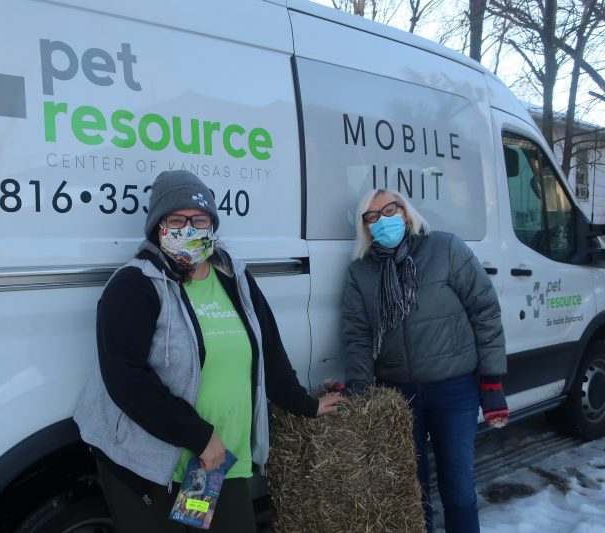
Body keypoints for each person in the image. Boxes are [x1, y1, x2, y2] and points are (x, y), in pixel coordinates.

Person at [74, 170, 345, 533]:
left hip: (211, 466)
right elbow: (124, 377)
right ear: (158, 226)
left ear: (212, 225)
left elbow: (268, 351)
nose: (189, 228)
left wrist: (305, 404)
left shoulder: (234, 277)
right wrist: (199, 437)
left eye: (199, 220)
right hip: (150, 466)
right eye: (177, 220)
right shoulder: (133, 284)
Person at [341, 188, 509, 533]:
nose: (382, 220)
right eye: (372, 217)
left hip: (454, 388)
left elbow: (485, 312)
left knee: (458, 487)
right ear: (366, 227)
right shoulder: (361, 271)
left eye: (390, 210)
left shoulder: (446, 248)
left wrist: (491, 383)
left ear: (406, 212)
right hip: (399, 395)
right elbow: (358, 334)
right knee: (410, 491)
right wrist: (360, 390)